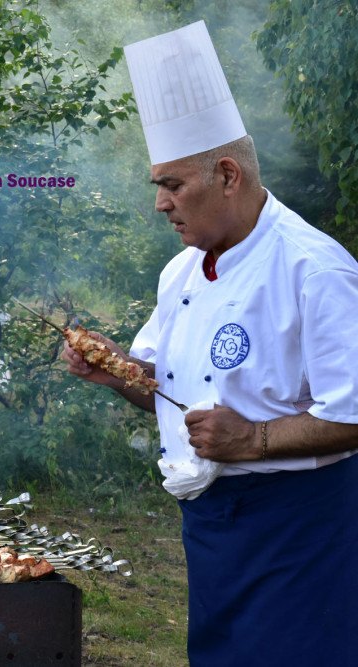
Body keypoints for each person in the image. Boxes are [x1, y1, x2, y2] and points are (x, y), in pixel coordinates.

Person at [62, 22, 358, 665]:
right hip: (210, 522)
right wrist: (117, 373)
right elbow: (175, 395)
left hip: (296, 526)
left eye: (173, 185)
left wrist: (252, 439)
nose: (162, 205)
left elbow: (353, 413)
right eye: (159, 188)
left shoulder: (316, 269)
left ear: (227, 173)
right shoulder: (181, 270)